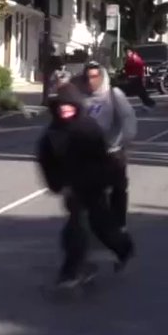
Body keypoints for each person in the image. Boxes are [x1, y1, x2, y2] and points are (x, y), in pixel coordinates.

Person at [36, 83, 136, 287]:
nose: (64, 109)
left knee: (101, 225)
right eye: (61, 106)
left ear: (76, 105)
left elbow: (104, 158)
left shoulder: (88, 127)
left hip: (93, 184)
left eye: (69, 105)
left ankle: (123, 248)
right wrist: (57, 184)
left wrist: (110, 181)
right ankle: (71, 271)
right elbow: (46, 163)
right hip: (71, 188)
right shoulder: (52, 134)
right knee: (76, 226)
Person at [75, 61, 137, 232]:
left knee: (118, 189)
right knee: (91, 191)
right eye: (87, 77)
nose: (91, 81)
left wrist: (125, 140)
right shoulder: (80, 97)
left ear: (102, 77)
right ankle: (95, 222)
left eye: (95, 77)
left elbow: (128, 119)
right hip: (88, 153)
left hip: (112, 151)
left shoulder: (113, 95)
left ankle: (119, 224)